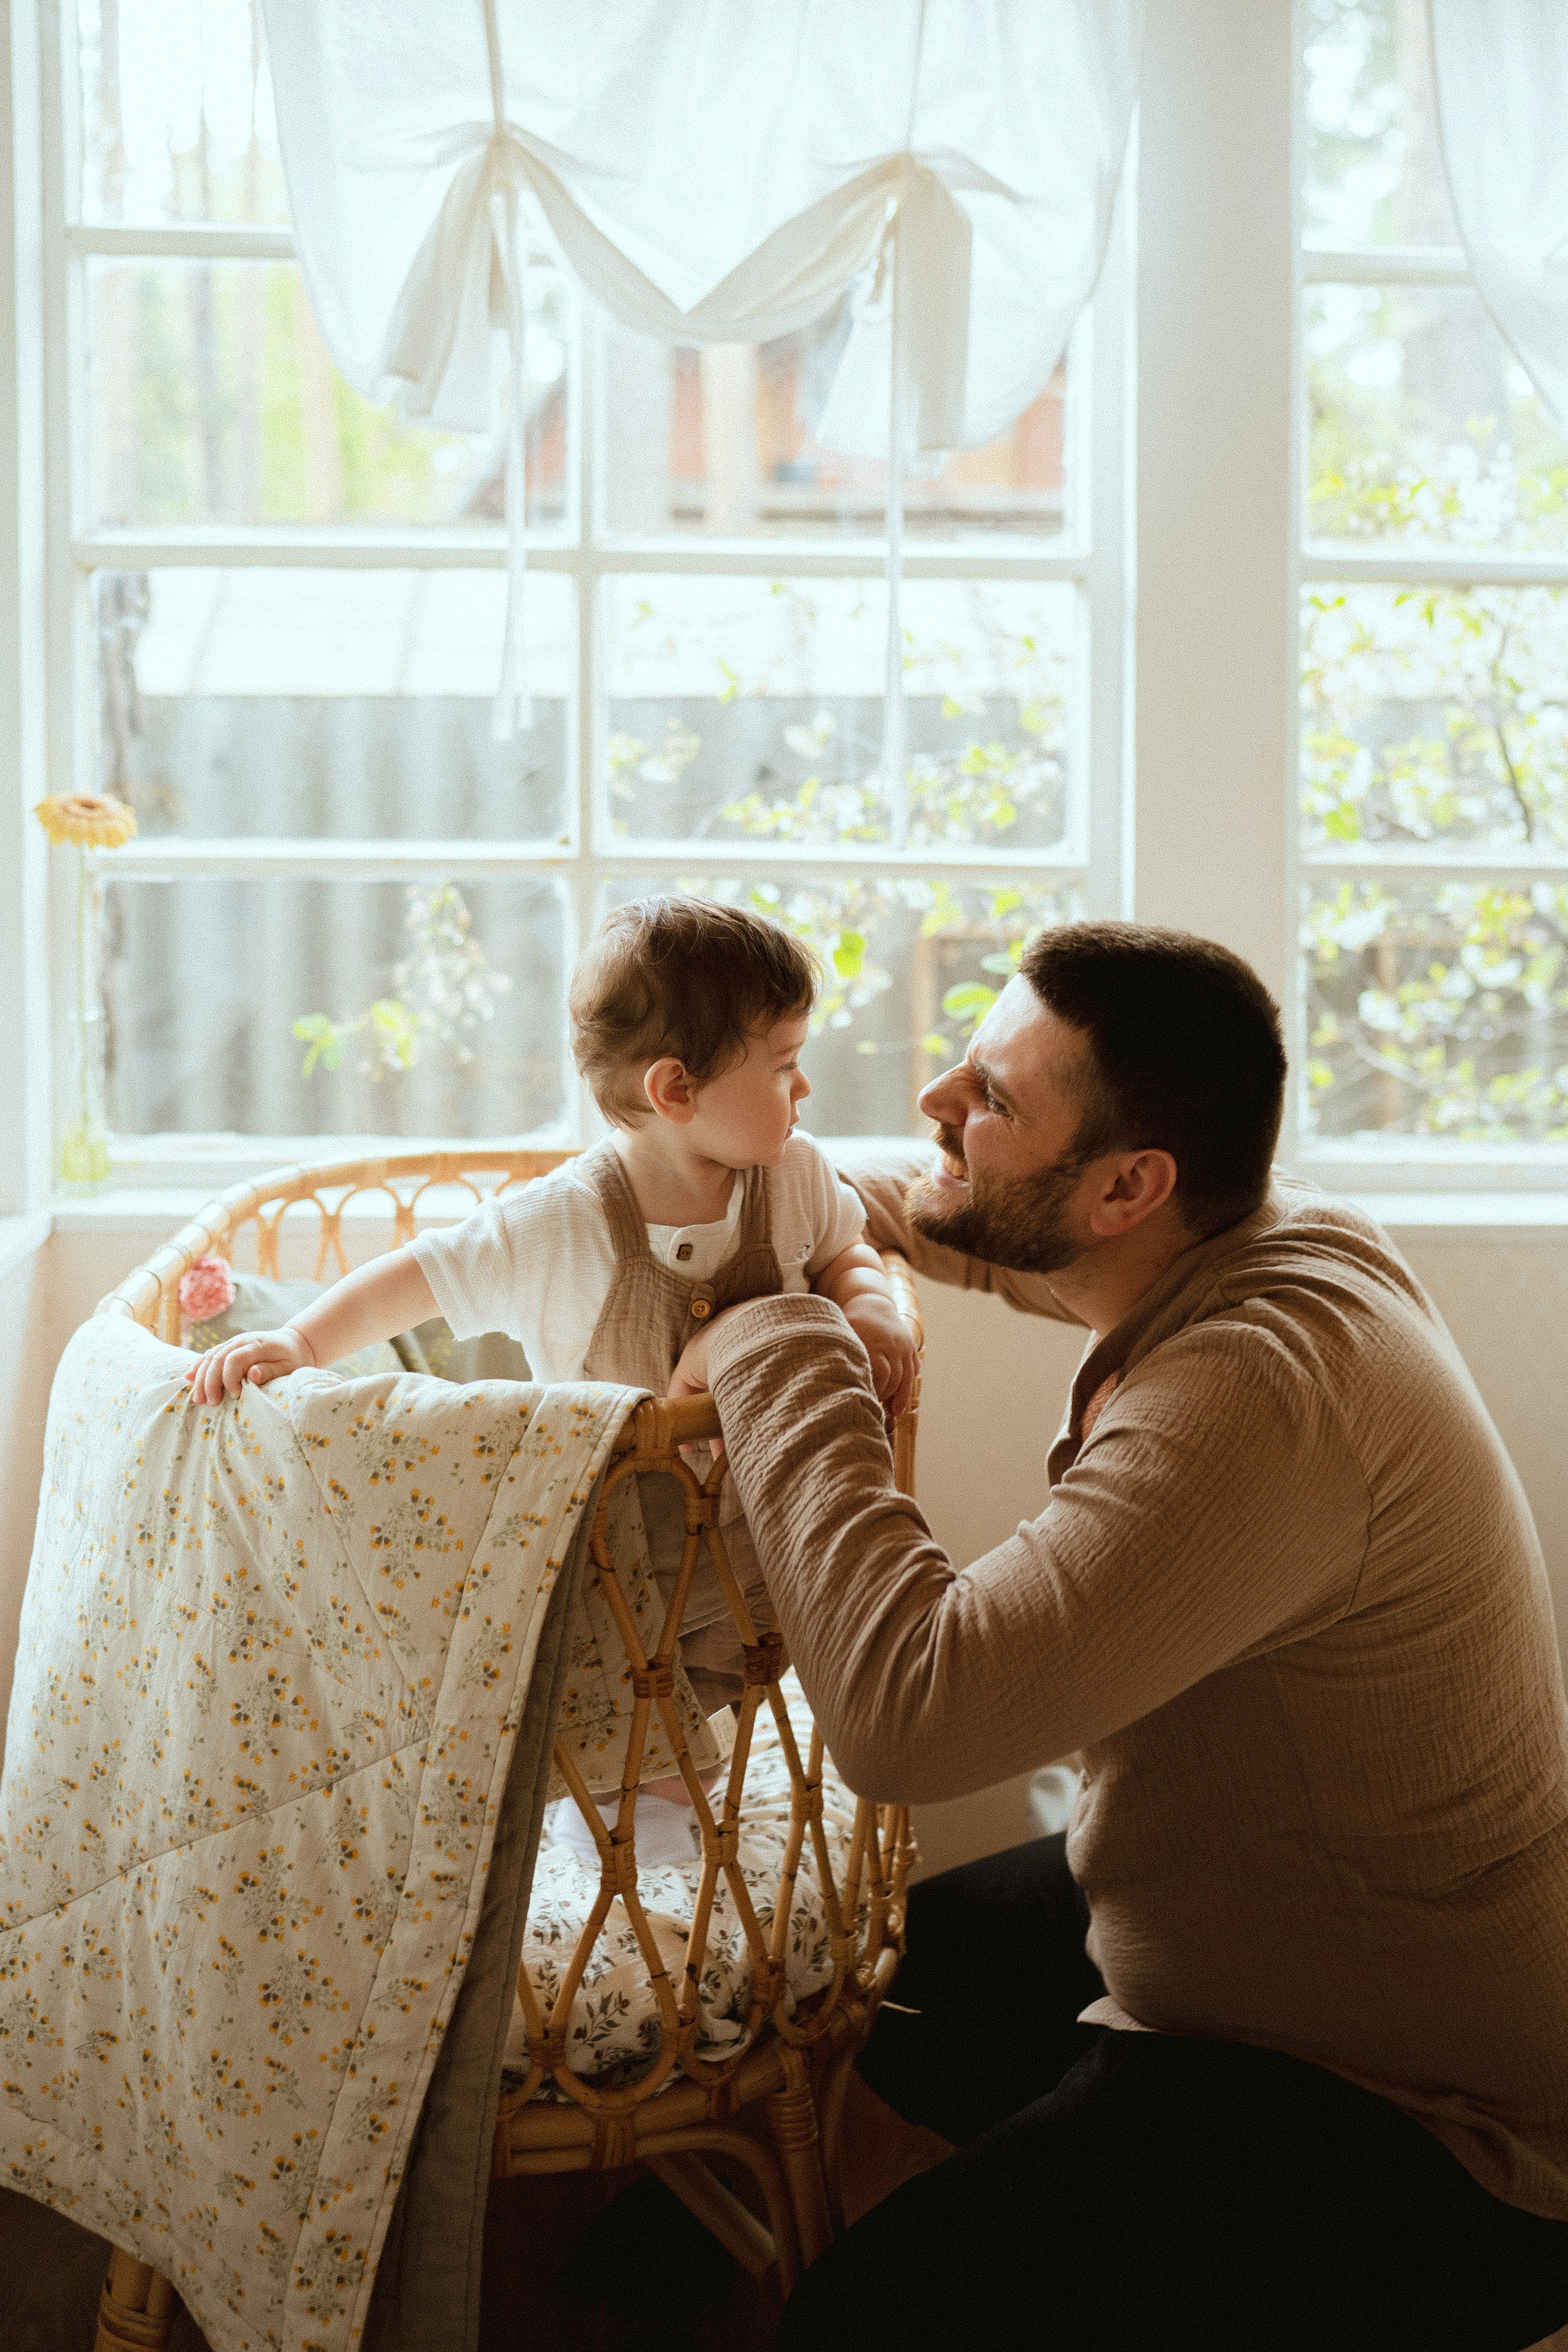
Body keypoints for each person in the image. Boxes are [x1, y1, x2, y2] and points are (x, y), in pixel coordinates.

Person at [668, 920, 1568, 2350]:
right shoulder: (1254, 1236)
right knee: (896, 1978)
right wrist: (785, 1205)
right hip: (1286, 1930)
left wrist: (777, 1339)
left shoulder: (1251, 1398)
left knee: (856, 2325)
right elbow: (995, 1237)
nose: (936, 1109)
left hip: (1422, 2115)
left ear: (1125, 1185)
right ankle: (658, 2266)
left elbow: (913, 1716)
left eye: (991, 1102)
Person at [184, 893, 918, 1856]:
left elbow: (846, 1254)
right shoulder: (564, 1223)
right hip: (622, 1528)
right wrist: (306, 1344)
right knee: (619, 1688)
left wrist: (865, 1306)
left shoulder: (797, 1174)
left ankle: (679, 1777)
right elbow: (424, 1274)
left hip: (762, 1509)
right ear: (675, 1090)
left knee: (769, 1647)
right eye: (783, 1066)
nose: (804, 1089)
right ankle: (626, 1809)